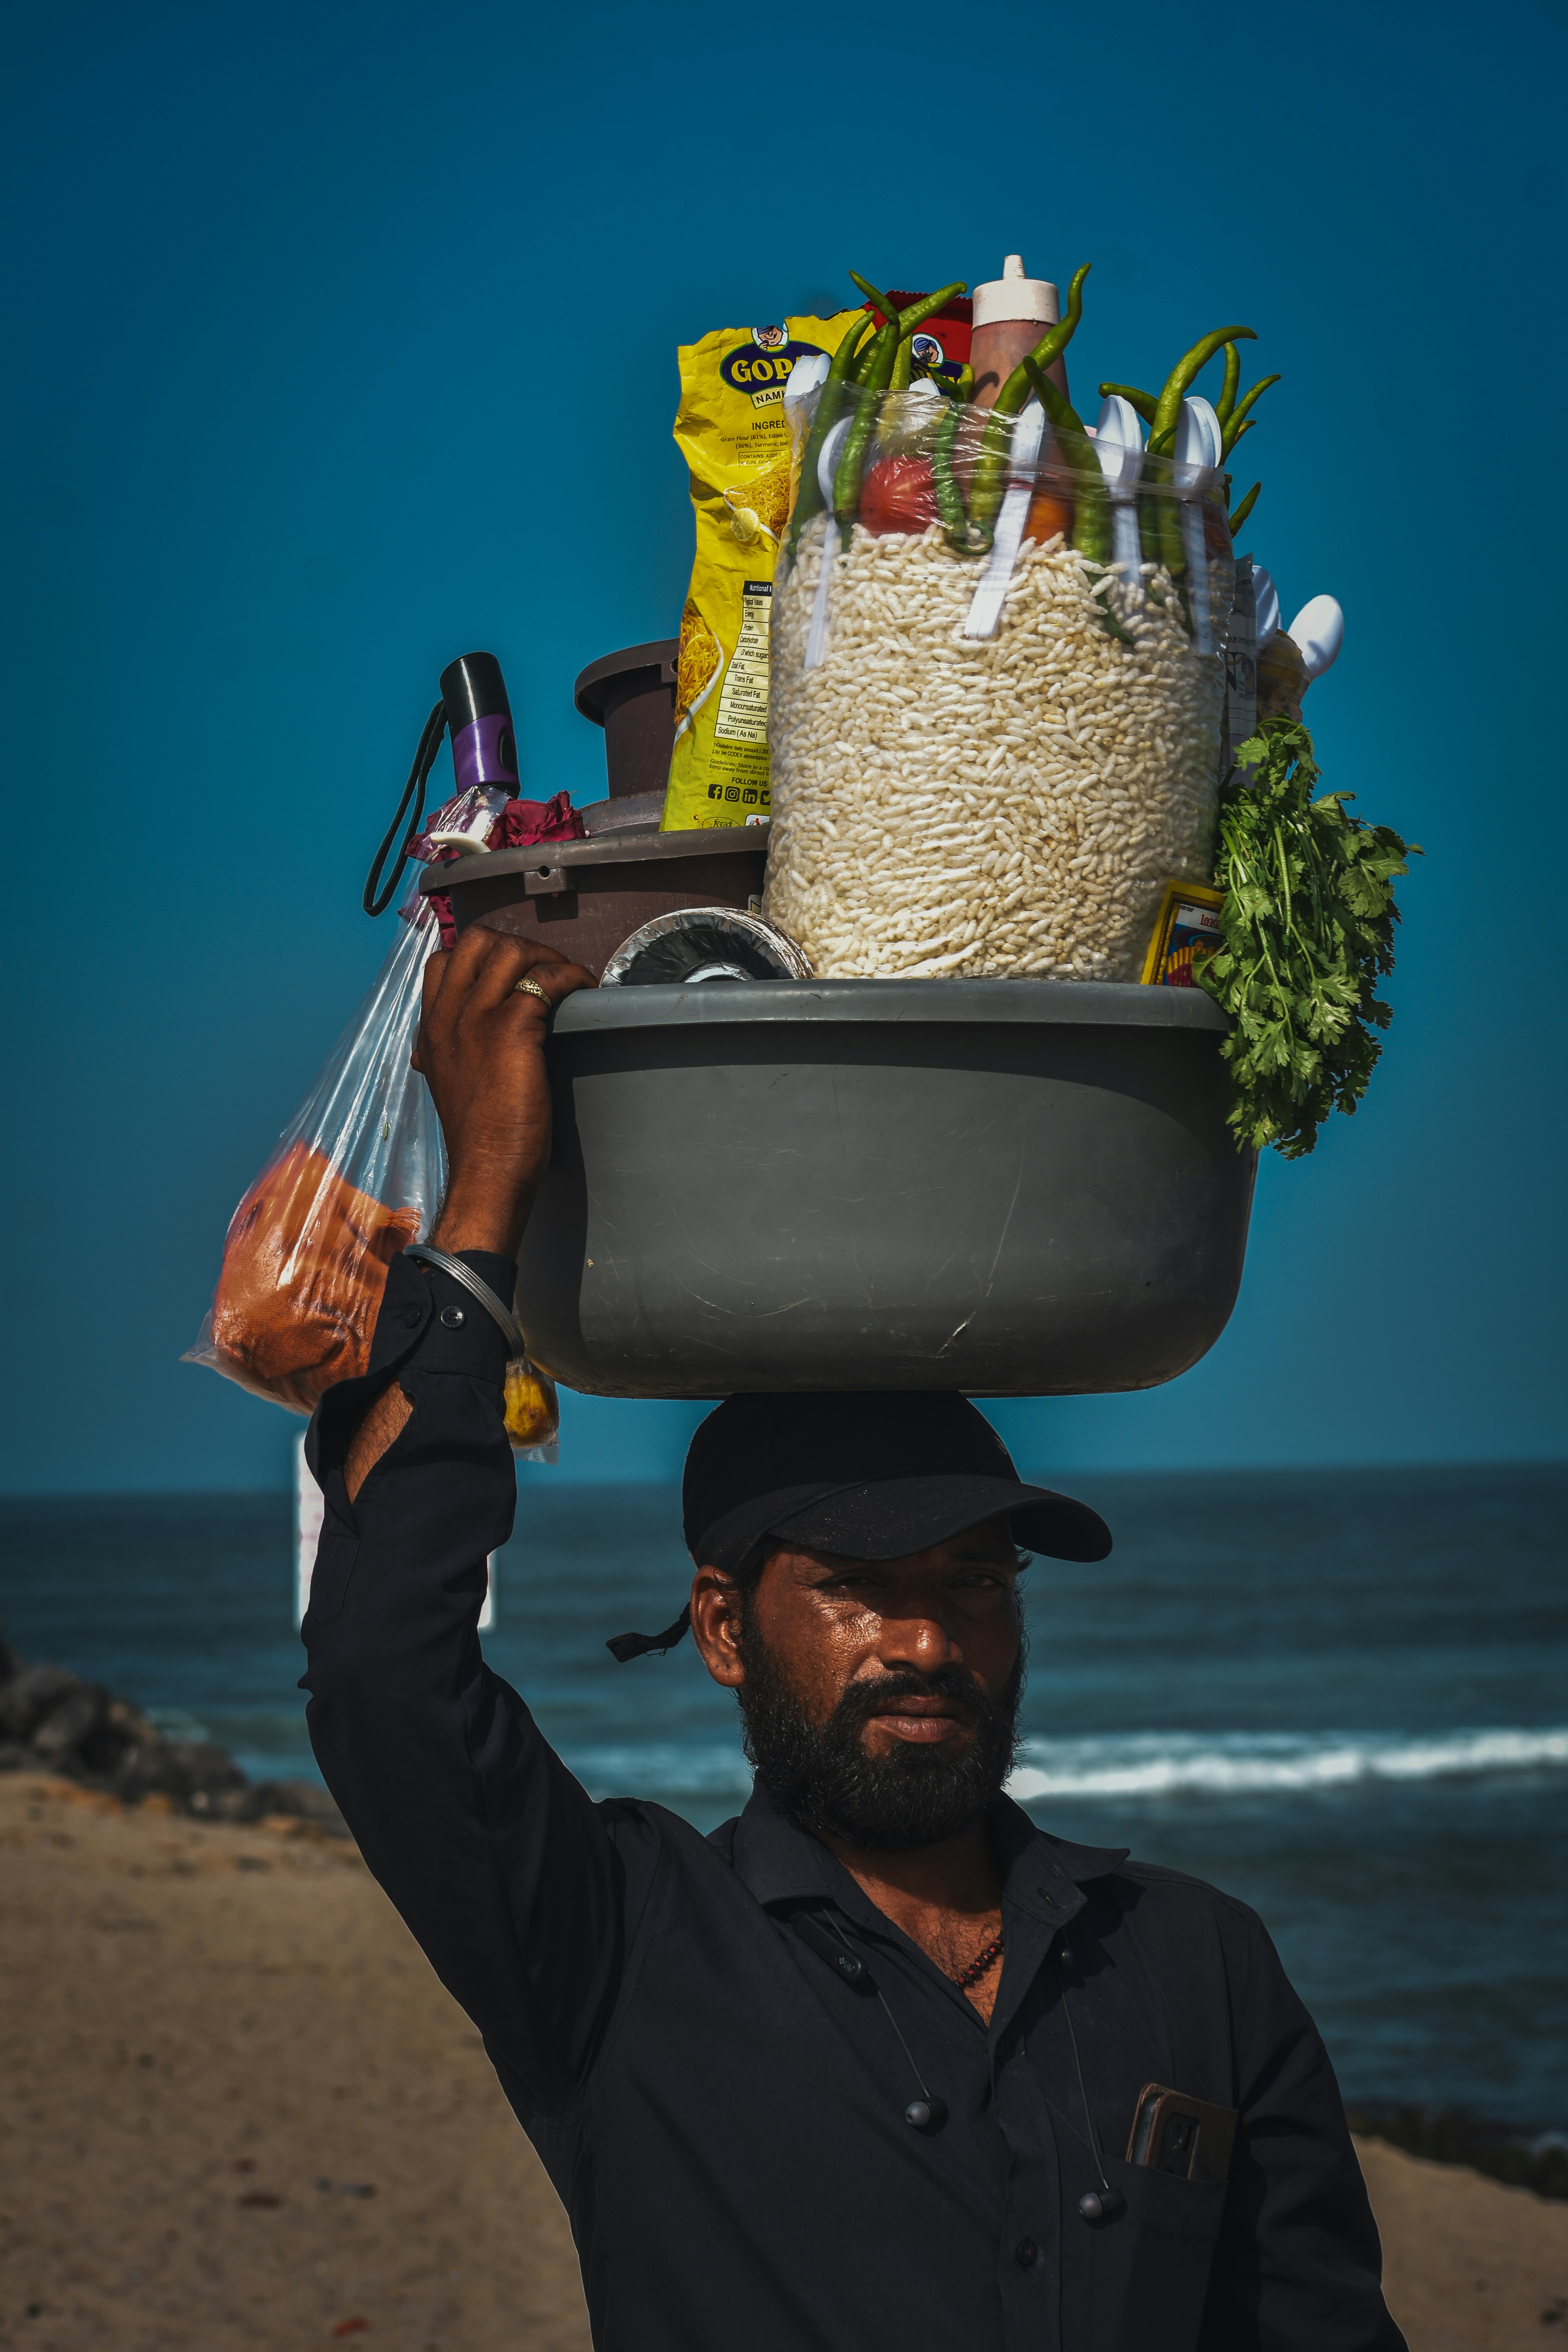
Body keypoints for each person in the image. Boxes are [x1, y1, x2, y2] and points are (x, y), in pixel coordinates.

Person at [302, 926, 1406, 2352]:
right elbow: (385, 1675)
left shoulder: (1198, 1963)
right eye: (856, 1583)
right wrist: (489, 1198)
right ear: (721, 1625)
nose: (927, 1640)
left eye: (975, 1581)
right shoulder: (620, 1946)